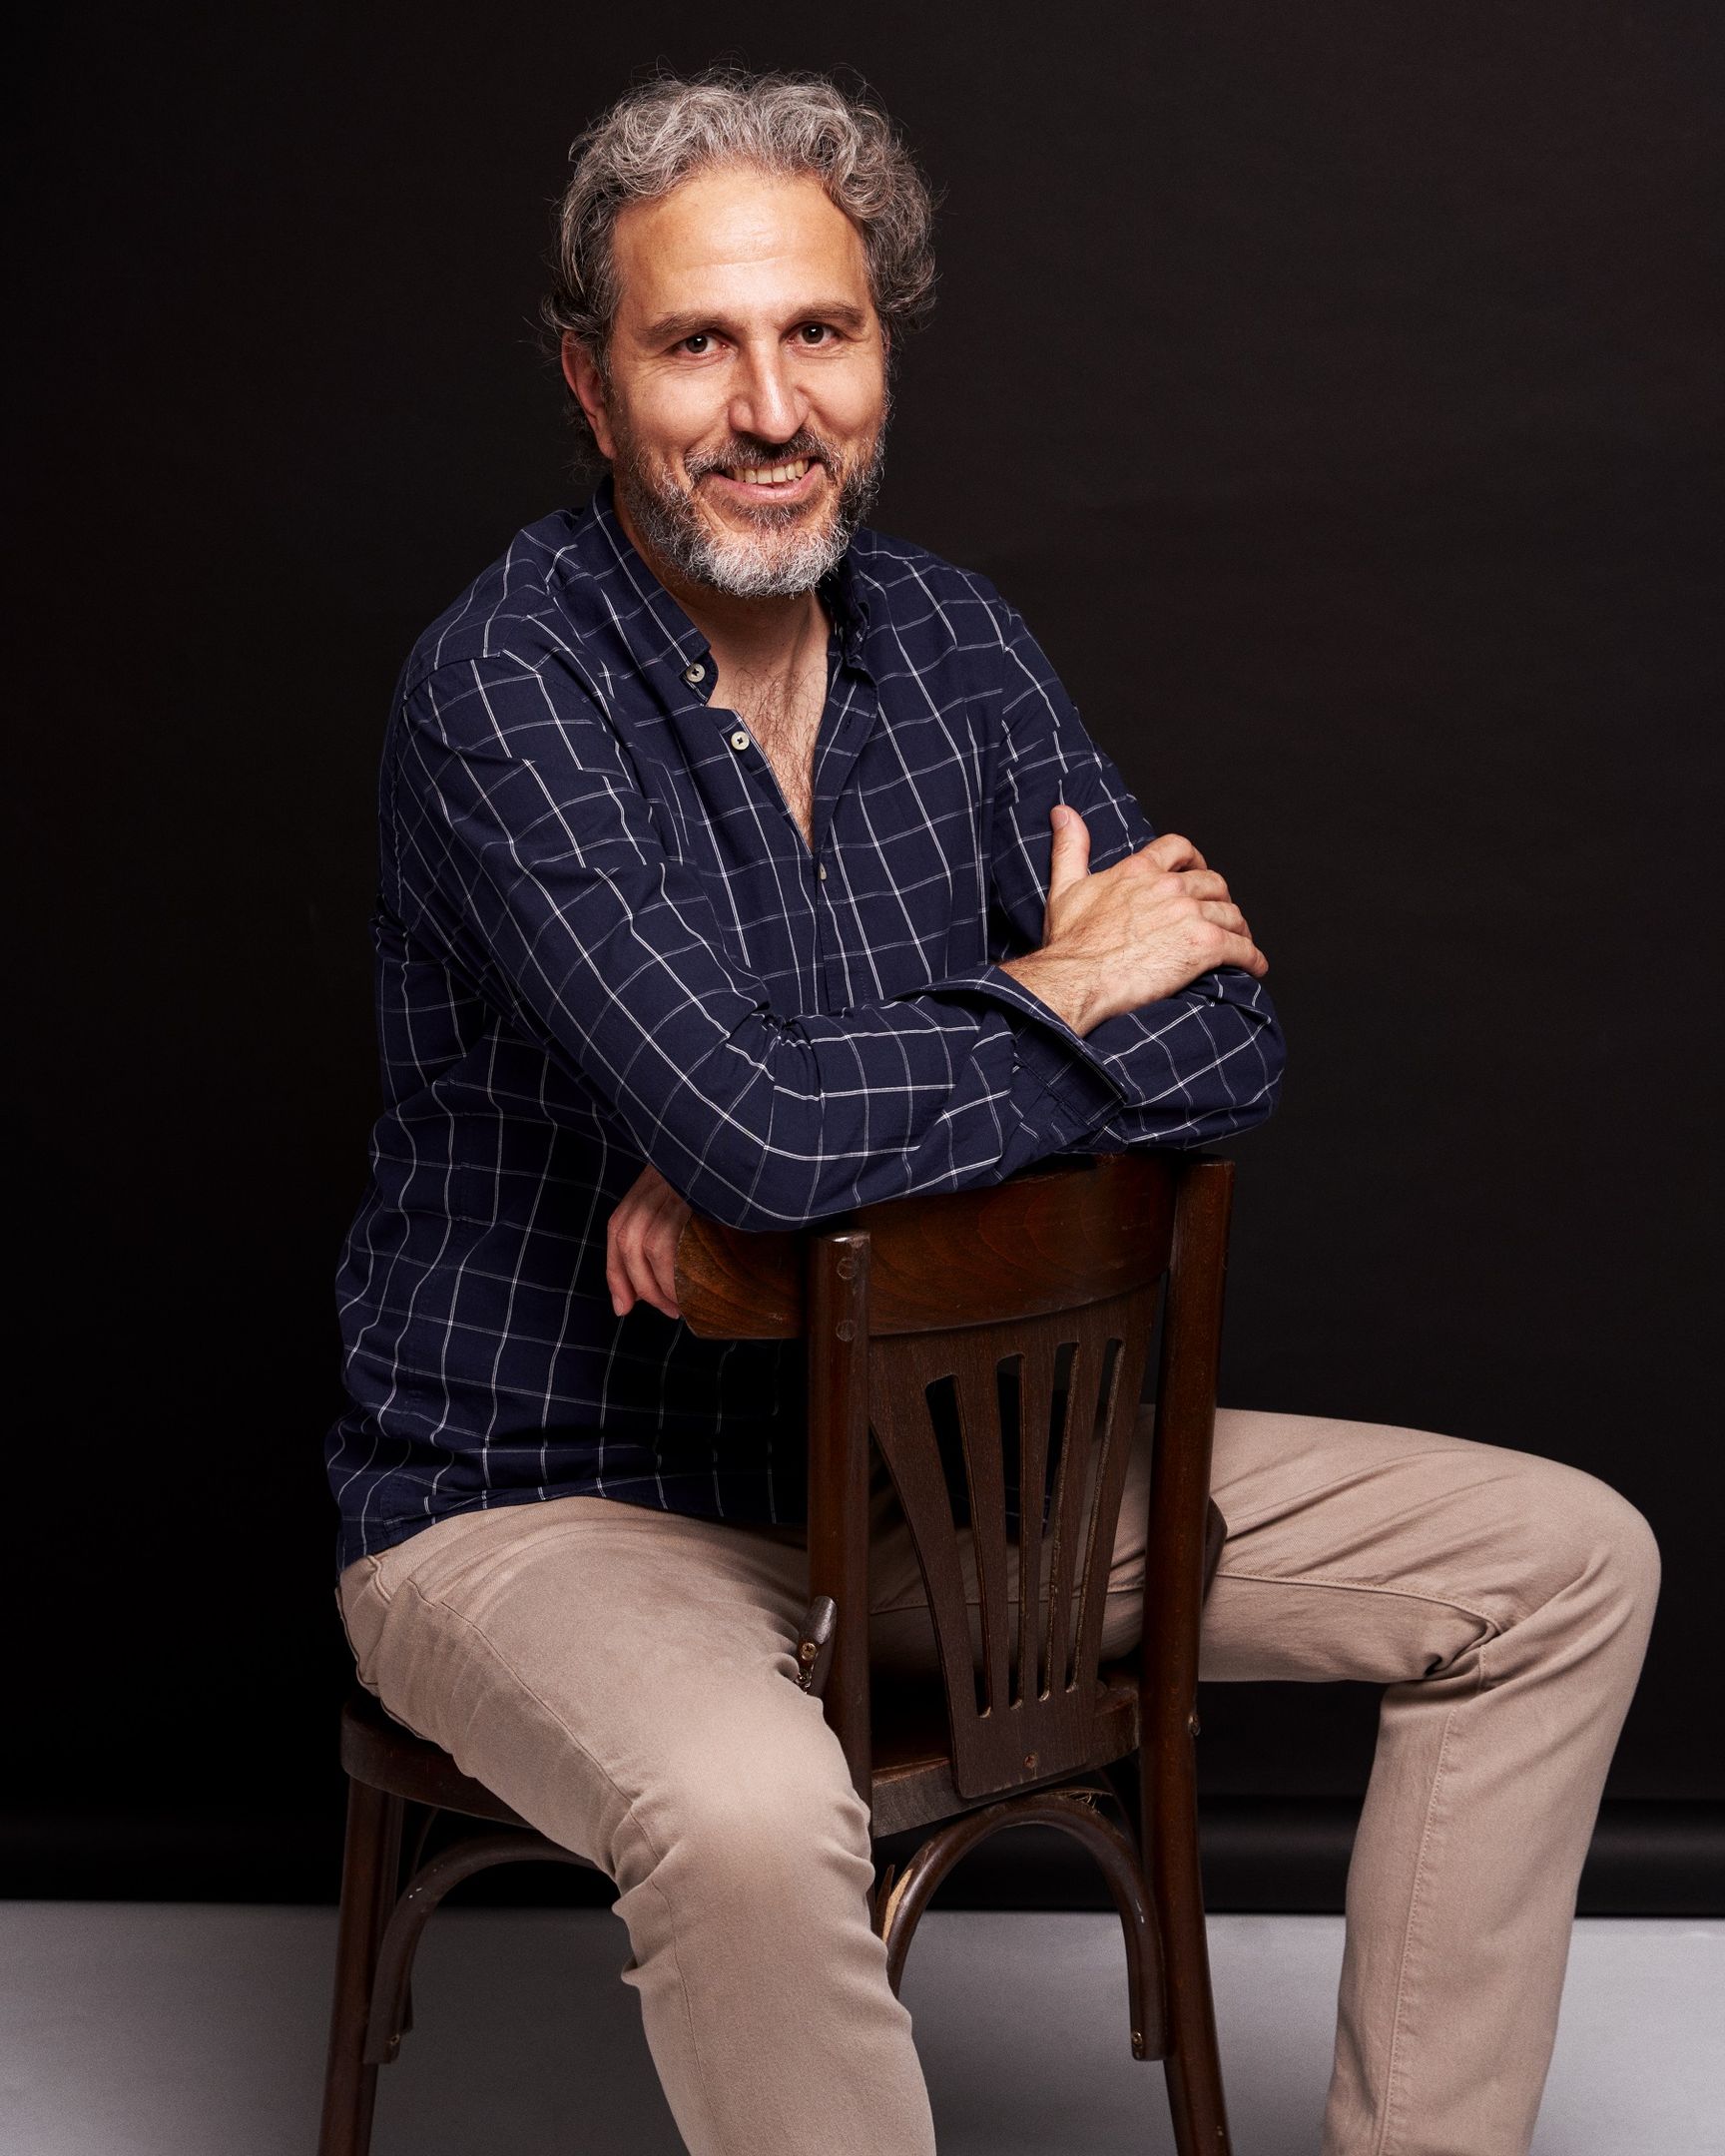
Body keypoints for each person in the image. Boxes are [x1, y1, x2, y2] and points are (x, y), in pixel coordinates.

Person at [325, 68, 1659, 2156]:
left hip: (940, 1479)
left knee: (1564, 1565)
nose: (772, 408)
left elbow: (1226, 1048)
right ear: (592, 387)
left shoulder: (957, 644)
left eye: (821, 332)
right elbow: (769, 1132)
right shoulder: (508, 687)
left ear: (883, 352)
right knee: (753, 1812)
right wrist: (1048, 996)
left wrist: (784, 1144)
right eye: (698, 345)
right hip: (554, 1501)